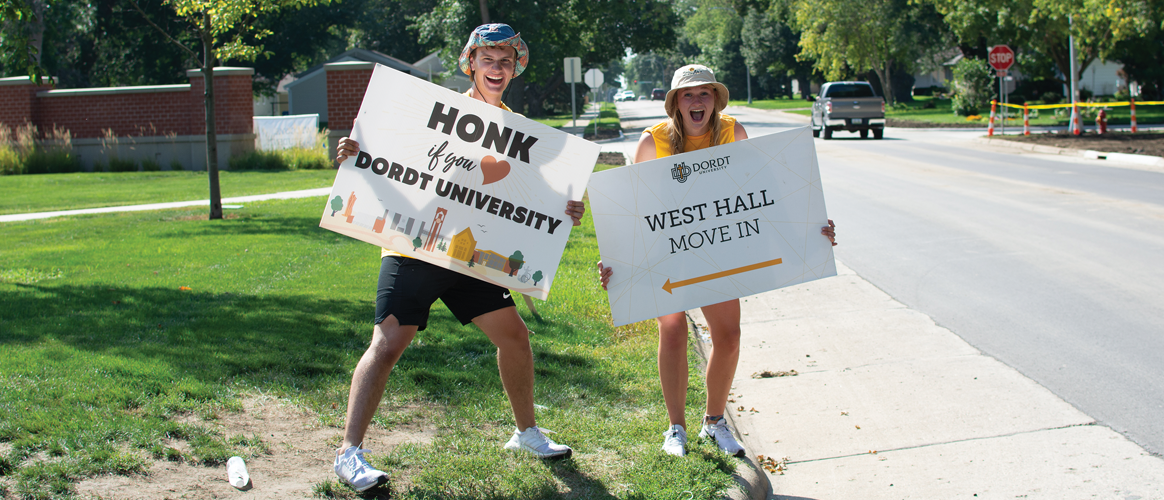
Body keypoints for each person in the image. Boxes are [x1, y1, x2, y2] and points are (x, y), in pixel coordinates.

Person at [331, 24, 584, 492]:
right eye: (488, 59)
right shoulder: (434, 112)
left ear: (514, 70)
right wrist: (353, 153)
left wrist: (566, 209)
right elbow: (388, 160)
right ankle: (349, 454)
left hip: (472, 254)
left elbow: (533, 194)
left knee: (515, 337)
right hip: (417, 245)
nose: (497, 68)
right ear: (471, 64)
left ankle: (526, 433)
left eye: (506, 61)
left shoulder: (516, 128)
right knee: (387, 346)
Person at [597, 64, 837, 458]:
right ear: (675, 102)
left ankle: (715, 423)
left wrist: (812, 232)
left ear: (715, 100)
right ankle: (676, 429)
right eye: (688, 95)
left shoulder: (731, 132)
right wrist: (618, 263)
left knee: (729, 337)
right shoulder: (651, 142)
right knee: (672, 328)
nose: (697, 101)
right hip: (665, 251)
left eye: (704, 93)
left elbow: (762, 192)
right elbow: (632, 210)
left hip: (716, 249)